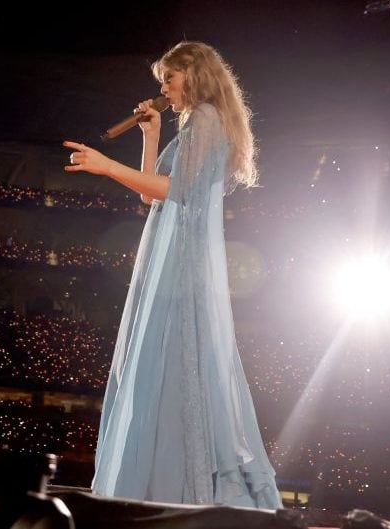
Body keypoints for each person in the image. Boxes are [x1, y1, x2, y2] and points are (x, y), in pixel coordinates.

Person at [63, 41, 282, 509]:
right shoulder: (196, 123)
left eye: (169, 79)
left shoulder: (204, 118)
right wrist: (151, 135)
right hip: (172, 254)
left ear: (194, 75)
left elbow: (176, 191)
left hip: (180, 259)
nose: (163, 89)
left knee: (176, 364)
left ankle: (183, 492)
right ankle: (170, 490)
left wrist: (105, 166)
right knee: (169, 366)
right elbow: (151, 195)